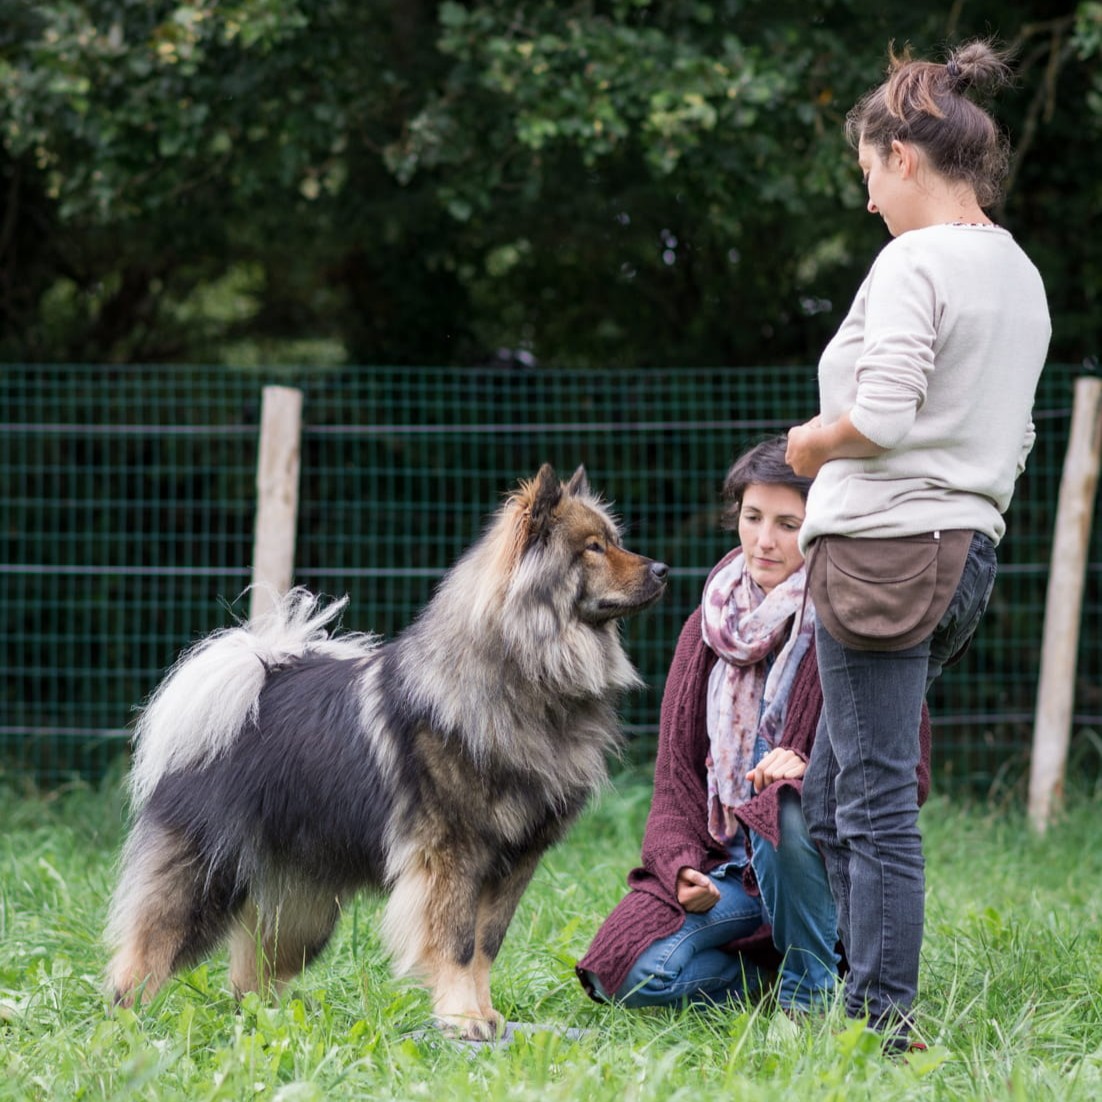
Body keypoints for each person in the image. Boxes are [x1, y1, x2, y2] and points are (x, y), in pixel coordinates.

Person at [785, 40, 1051, 1053]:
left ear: (903, 156)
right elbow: (1016, 432)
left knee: (871, 795)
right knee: (830, 785)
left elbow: (882, 414)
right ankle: (840, 990)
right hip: (962, 556)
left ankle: (877, 1026)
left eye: (866, 177)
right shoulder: (1016, 271)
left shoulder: (914, 258)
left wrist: (807, 443)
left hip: (884, 550)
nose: (866, 205)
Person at [575, 436, 932, 1014]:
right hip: (731, 873)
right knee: (631, 974)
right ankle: (767, 978)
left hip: (818, 875)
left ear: (823, 527)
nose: (764, 541)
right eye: (752, 517)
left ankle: (808, 991)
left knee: (785, 806)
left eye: (789, 524)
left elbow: (905, 775)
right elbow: (675, 784)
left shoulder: (860, 621)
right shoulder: (707, 628)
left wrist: (814, 769)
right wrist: (681, 866)